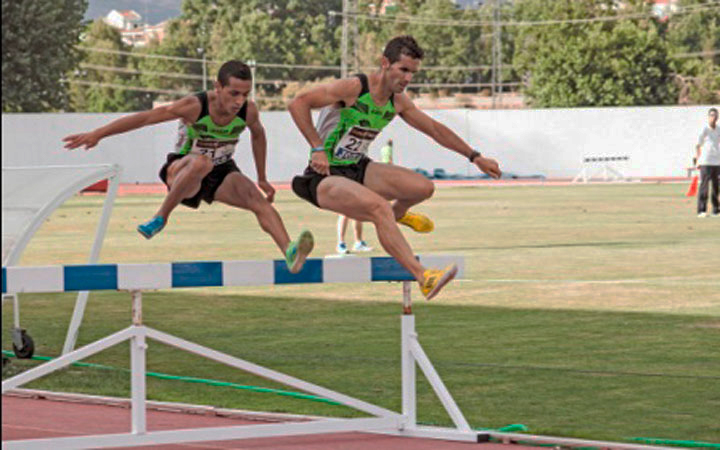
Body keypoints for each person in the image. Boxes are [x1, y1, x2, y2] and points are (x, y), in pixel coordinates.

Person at [288, 35, 501, 300]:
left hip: (358, 169)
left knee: (423, 187)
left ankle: (397, 213)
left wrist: (474, 156)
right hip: (324, 177)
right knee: (378, 209)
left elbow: (434, 129)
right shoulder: (354, 88)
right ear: (385, 63)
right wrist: (317, 147)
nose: (408, 78)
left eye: (413, 73)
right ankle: (423, 276)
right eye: (403, 70)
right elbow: (298, 103)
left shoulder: (398, 101)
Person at [63, 60, 314, 273]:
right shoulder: (195, 105)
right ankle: (160, 217)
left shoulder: (248, 111)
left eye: (245, 94)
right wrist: (98, 133)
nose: (240, 101)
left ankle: (290, 252)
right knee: (201, 162)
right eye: (234, 93)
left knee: (256, 200)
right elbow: (146, 118)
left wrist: (262, 177)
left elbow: (258, 135)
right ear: (218, 87)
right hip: (182, 170)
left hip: (221, 171)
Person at [695, 107, 720, 218]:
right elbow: (698, 144)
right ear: (708, 117)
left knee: (716, 186)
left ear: (717, 117)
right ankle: (701, 210)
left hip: (716, 161)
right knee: (704, 186)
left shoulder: (718, 129)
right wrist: (697, 159)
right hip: (705, 161)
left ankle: (716, 209)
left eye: (715, 115)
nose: (713, 117)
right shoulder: (704, 129)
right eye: (711, 115)